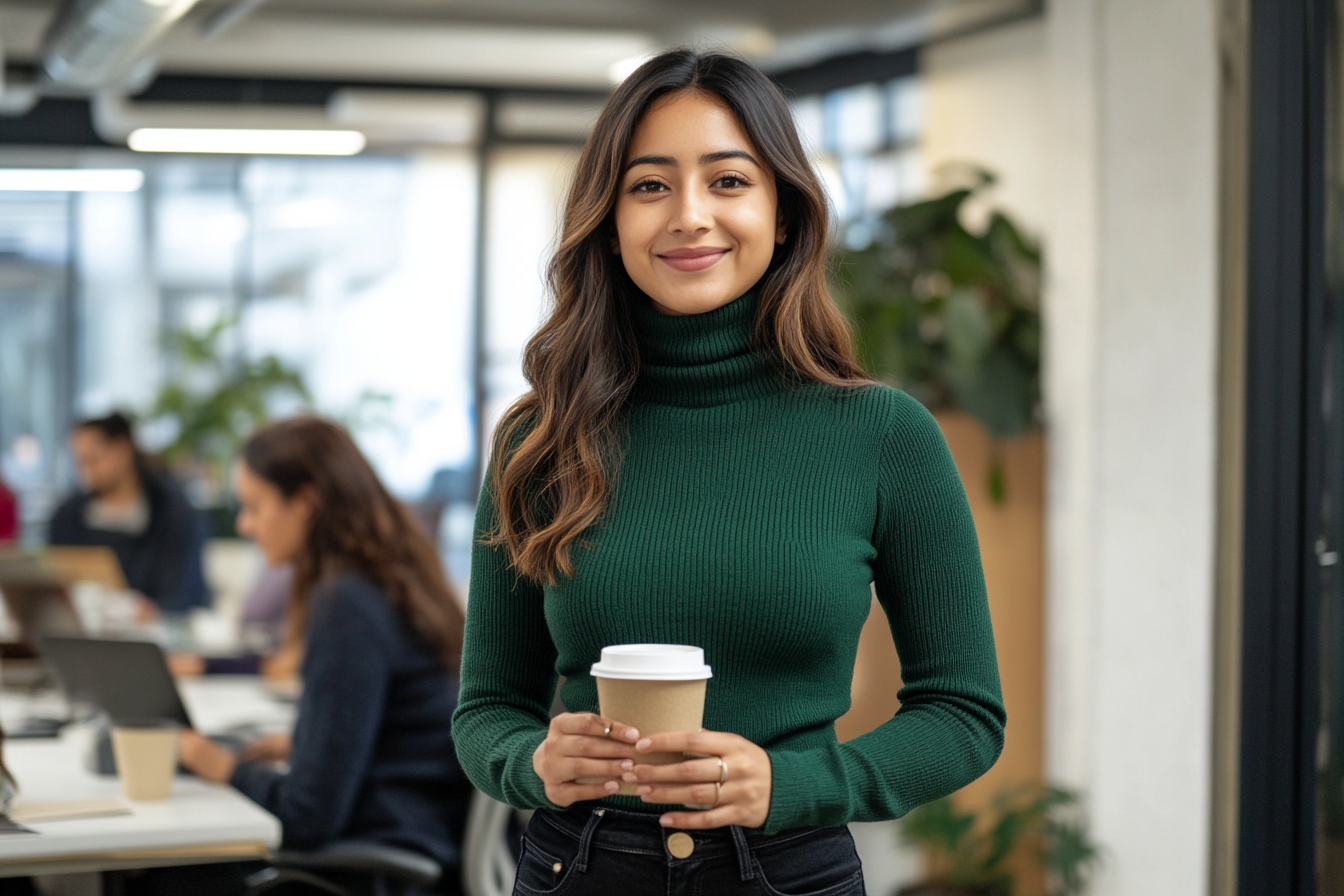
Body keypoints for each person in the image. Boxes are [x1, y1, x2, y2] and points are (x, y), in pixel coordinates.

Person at [452, 48, 1006, 896]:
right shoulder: (541, 437)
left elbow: (964, 714)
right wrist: (531, 761)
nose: (689, 216)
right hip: (580, 867)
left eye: (728, 181)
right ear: (609, 219)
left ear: (782, 211)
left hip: (790, 870)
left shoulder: (884, 435)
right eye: (649, 186)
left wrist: (796, 785)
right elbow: (487, 707)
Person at [170, 416, 472, 896]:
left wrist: (217, 762)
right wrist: (307, 742)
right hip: (413, 829)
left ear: (307, 502)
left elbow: (308, 815)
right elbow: (398, 727)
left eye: (253, 506)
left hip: (376, 863)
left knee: (164, 871)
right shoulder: (392, 580)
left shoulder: (345, 603)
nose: (245, 525)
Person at [47, 412, 208, 614]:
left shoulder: (174, 514)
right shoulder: (66, 516)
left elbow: (185, 594)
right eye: (80, 463)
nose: (85, 473)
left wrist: (152, 611)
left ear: (123, 451)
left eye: (93, 460)